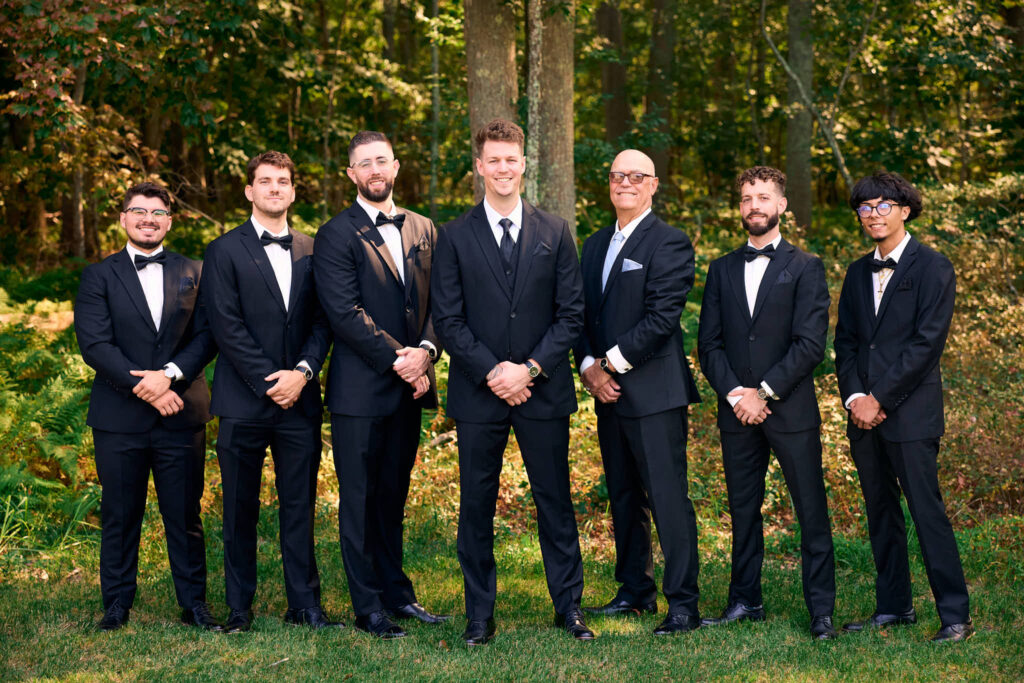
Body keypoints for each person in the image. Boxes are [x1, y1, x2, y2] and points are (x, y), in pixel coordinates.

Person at [431, 119, 592, 645]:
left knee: (555, 501)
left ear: (525, 164)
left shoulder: (555, 231)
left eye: (511, 159)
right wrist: (494, 372)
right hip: (479, 394)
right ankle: (480, 613)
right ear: (479, 166)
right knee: (475, 504)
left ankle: (568, 608)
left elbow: (571, 315)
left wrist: (530, 369)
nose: (503, 168)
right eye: (493, 160)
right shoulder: (453, 235)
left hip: (542, 389)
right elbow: (448, 319)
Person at [314, 131, 448, 638]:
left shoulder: (424, 227)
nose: (374, 170)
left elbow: (442, 305)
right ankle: (366, 605)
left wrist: (428, 353)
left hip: (409, 389)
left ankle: (397, 593)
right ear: (351, 174)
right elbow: (344, 313)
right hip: (359, 390)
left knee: (393, 495)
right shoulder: (335, 234)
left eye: (381, 161)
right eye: (363, 163)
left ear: (396, 167)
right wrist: (402, 359)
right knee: (359, 498)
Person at [697, 166, 837, 640]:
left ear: (782, 206)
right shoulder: (720, 268)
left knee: (810, 511)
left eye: (763, 197)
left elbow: (810, 344)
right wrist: (738, 395)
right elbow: (708, 345)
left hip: (790, 409)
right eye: (746, 198)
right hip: (737, 412)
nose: (753, 205)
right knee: (742, 509)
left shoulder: (806, 267)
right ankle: (744, 599)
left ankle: (821, 610)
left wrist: (765, 392)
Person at [201, 151, 337, 633]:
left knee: (299, 504)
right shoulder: (222, 250)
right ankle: (239, 608)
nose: (275, 188)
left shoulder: (315, 249)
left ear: (294, 192)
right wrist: (269, 380)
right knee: (239, 508)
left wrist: (301, 372)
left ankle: (305, 605)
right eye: (265, 181)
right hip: (242, 401)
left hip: (300, 400)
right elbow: (225, 325)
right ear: (249, 191)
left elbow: (324, 321)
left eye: (283, 181)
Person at [835, 171, 973, 643]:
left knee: (925, 511)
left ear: (904, 210)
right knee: (880, 512)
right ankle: (894, 607)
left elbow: (926, 345)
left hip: (910, 414)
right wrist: (855, 398)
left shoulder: (934, 268)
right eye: (864, 208)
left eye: (882, 206)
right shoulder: (856, 272)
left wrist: (880, 399)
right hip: (862, 415)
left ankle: (955, 615)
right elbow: (846, 342)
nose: (872, 215)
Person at [74, 182, 219, 631]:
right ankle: (117, 604)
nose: (148, 219)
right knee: (120, 513)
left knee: (184, 513)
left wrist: (171, 375)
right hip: (119, 418)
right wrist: (152, 388)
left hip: (182, 414)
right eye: (139, 211)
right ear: (122, 218)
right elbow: (95, 345)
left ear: (169, 222)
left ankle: (194, 603)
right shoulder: (98, 276)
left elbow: (208, 335)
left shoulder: (195, 270)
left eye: (157, 213)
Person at [575, 150, 703, 636]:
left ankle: (684, 604)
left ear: (652, 185)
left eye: (635, 176)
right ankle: (634, 590)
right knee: (624, 496)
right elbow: (579, 314)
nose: (624, 183)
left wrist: (608, 364)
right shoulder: (593, 245)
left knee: (668, 497)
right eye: (616, 176)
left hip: (655, 393)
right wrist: (588, 367)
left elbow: (661, 317)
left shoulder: (669, 242)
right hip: (607, 395)